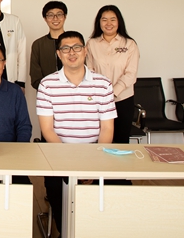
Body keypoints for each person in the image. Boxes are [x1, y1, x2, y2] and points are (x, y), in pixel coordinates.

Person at [36, 31, 117, 237]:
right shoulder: (47, 85)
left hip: (95, 153)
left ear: (85, 51)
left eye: (77, 47)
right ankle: (65, 231)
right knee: (57, 192)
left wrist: (93, 164)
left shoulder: (103, 84)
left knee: (107, 196)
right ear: (58, 54)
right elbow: (47, 130)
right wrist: (70, 165)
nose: (71, 53)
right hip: (59, 156)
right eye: (65, 48)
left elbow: (107, 129)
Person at [86, 5, 140, 144]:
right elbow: (89, 71)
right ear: (99, 22)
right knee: (98, 140)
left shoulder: (129, 44)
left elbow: (131, 73)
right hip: (98, 100)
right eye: (104, 19)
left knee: (120, 141)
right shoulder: (91, 44)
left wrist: (112, 93)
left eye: (112, 19)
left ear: (119, 21)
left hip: (123, 99)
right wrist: (102, 93)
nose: (108, 23)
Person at [30, 0, 67, 90]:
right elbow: (35, 77)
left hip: (73, 93)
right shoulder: (38, 44)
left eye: (59, 14)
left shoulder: (74, 42)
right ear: (45, 18)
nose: (55, 18)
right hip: (46, 93)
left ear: (65, 17)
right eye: (50, 15)